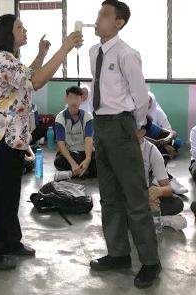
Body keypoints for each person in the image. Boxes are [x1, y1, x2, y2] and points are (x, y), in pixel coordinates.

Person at [0, 13, 82, 270]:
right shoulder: (0, 58)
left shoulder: (11, 60)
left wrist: (42, 54)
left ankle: (11, 241)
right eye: (20, 27)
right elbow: (36, 81)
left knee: (11, 194)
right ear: (6, 33)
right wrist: (64, 48)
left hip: (11, 137)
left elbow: (28, 74)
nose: (25, 30)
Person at [88, 1, 161, 289]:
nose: (97, 19)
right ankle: (118, 253)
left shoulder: (127, 54)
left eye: (104, 15)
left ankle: (151, 261)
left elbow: (141, 95)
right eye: (98, 13)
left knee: (135, 197)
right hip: (101, 125)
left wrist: (137, 126)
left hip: (121, 125)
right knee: (108, 196)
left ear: (118, 22)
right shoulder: (94, 52)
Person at [137, 118, 186, 230]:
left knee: (177, 203)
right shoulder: (118, 147)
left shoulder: (150, 150)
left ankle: (145, 218)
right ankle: (162, 220)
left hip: (144, 194)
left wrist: (158, 191)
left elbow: (167, 188)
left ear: (143, 132)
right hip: (124, 196)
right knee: (116, 209)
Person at [54, 86, 96, 178]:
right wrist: (72, 163)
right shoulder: (60, 118)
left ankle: (74, 173)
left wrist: (88, 159)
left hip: (85, 152)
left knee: (100, 162)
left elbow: (88, 139)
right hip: (70, 152)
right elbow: (60, 144)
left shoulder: (88, 117)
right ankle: (84, 171)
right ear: (66, 99)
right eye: (71, 98)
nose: (74, 101)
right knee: (58, 161)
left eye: (77, 98)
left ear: (81, 99)